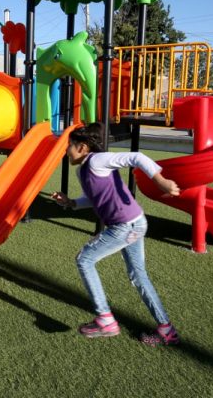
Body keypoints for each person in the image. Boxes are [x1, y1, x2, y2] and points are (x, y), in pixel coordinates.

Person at [51, 123, 181, 346]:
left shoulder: (97, 160)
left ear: (82, 147)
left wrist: (161, 181)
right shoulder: (82, 169)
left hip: (126, 226)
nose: (67, 150)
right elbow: (94, 198)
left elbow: (137, 157)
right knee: (138, 275)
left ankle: (105, 320)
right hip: (135, 223)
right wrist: (71, 202)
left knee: (85, 259)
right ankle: (166, 329)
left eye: (69, 146)